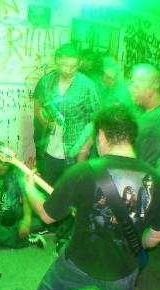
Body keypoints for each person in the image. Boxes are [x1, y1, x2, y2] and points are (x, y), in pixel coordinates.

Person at [18, 104, 160, 290]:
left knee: (49, 289)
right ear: (131, 137)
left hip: (78, 260)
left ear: (101, 135)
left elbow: (46, 215)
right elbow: (156, 237)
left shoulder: (82, 172)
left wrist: (29, 187)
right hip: (121, 270)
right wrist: (137, 241)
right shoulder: (157, 180)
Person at [33, 43, 100, 185]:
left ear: (79, 64)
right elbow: (37, 105)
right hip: (48, 149)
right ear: (56, 60)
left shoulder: (87, 86)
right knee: (49, 190)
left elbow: (97, 119)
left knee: (71, 193)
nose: (68, 70)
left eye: (73, 66)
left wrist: (85, 148)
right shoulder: (46, 81)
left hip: (74, 152)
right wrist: (43, 119)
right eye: (64, 65)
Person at [0, 148, 45, 249]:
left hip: (12, 213)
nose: (1, 167)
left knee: (42, 218)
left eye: (4, 163)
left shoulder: (15, 172)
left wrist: (26, 220)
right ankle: (23, 240)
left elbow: (26, 196)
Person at [128, 63, 160, 184]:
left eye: (136, 84)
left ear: (154, 85)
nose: (131, 88)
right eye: (131, 83)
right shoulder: (143, 109)